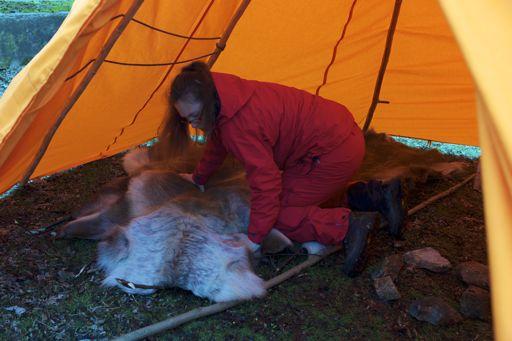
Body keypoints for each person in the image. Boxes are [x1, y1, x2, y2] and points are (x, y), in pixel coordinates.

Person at [160, 61, 405, 276]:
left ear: (208, 102)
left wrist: (254, 239)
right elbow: (218, 141)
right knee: (298, 194)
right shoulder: (228, 95)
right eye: (186, 119)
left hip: (330, 154)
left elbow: (266, 184)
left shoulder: (240, 124)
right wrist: (199, 177)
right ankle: (374, 195)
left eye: (194, 116)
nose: (192, 124)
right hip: (341, 138)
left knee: (279, 214)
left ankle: (348, 226)